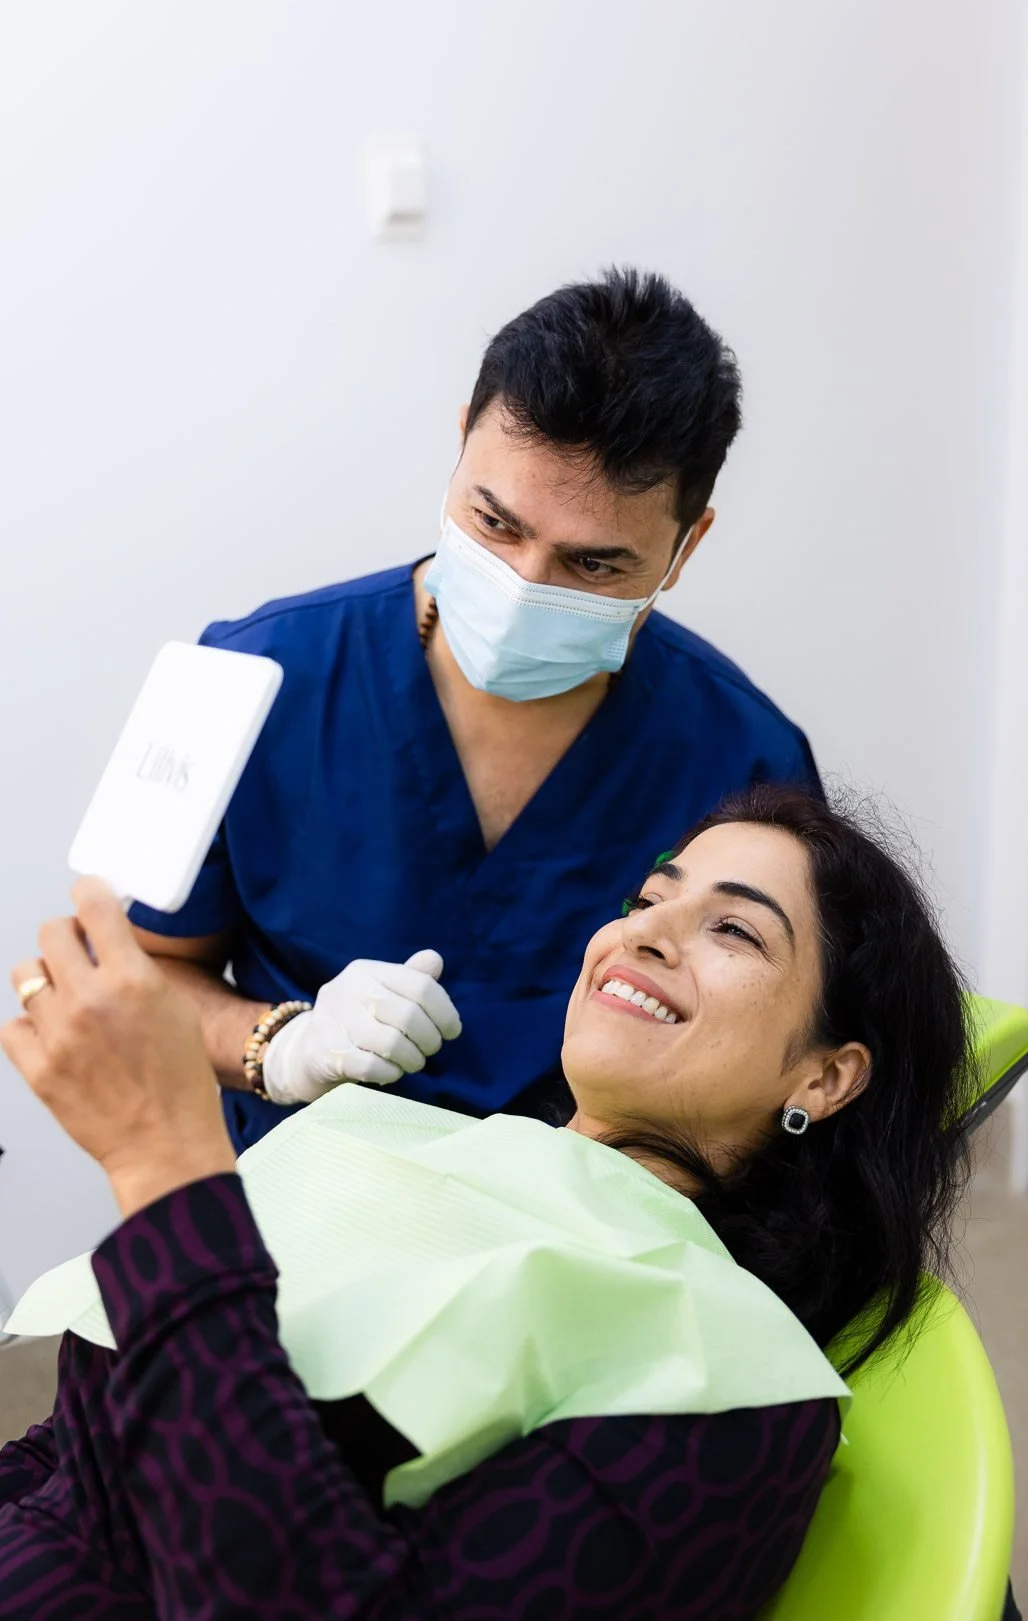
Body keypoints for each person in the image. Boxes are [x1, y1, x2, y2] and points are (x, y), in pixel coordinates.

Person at [0, 785, 974, 1619]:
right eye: (646, 896)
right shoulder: (389, 1136)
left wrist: (166, 1169)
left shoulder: (726, 1380)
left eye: (733, 928)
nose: (645, 932)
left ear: (825, 1076)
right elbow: (81, 1446)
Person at [127, 268, 821, 1152]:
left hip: (571, 1234)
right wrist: (281, 1045)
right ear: (461, 444)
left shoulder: (746, 757)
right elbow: (136, 975)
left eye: (593, 566)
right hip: (287, 1209)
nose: (523, 586)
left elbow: (770, 1057)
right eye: (495, 523)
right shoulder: (240, 673)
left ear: (686, 545)